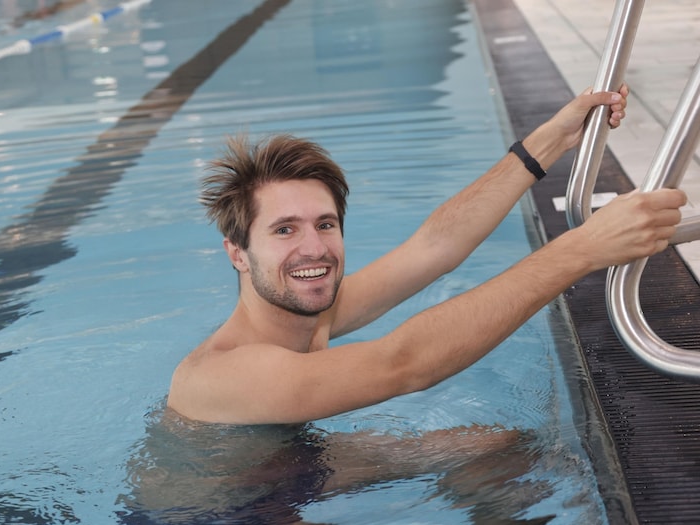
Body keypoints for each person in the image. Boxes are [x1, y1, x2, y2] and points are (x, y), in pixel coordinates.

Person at [166, 85, 687, 425]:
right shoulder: (228, 373)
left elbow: (433, 247)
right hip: (221, 515)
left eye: (325, 224)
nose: (314, 248)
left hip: (286, 475)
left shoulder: (307, 315)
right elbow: (404, 364)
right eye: (284, 230)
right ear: (237, 253)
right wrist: (581, 249)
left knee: (489, 451)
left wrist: (549, 142)